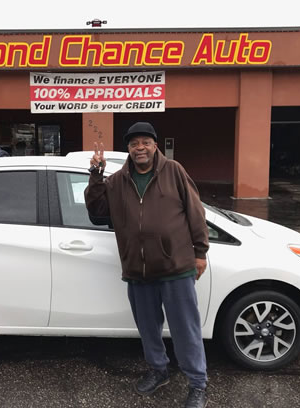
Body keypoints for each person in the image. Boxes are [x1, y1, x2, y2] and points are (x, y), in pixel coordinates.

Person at [85, 122, 209, 408]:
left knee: (185, 329)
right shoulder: (117, 180)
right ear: (128, 149)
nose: (139, 148)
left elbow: (196, 212)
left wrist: (200, 252)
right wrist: (96, 175)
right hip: (138, 271)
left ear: (155, 145)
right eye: (134, 144)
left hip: (176, 268)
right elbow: (97, 211)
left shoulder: (174, 171)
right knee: (149, 329)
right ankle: (158, 370)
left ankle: (197, 383)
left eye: (145, 142)